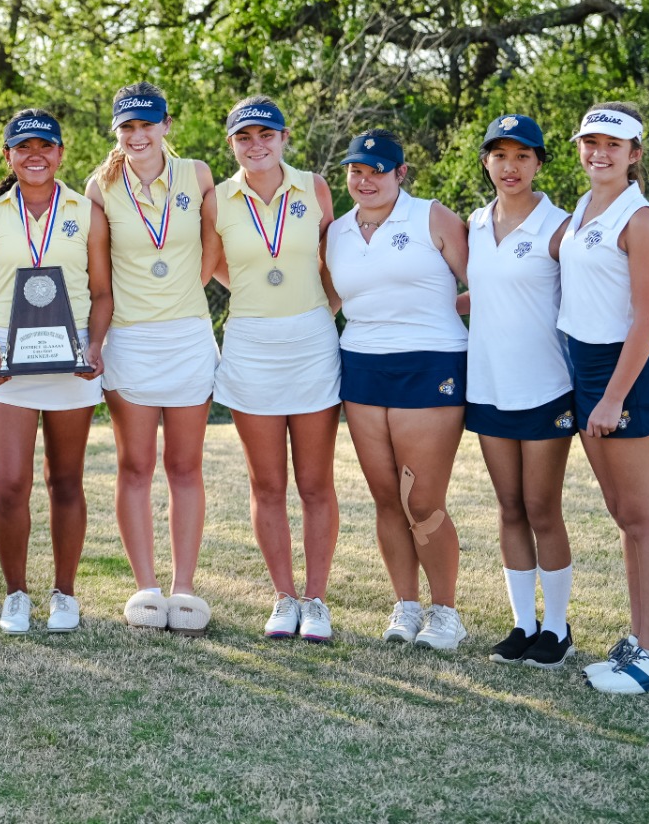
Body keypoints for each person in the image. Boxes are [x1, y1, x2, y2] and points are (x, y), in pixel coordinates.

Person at [558, 103, 649, 694]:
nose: (600, 153)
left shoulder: (641, 218)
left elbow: (644, 320)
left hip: (622, 376)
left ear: (635, 154)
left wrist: (611, 400)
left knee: (643, 518)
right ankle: (639, 642)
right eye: (590, 143)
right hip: (585, 369)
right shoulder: (584, 207)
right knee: (622, 517)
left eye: (613, 144)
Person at [327, 131, 472, 651]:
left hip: (430, 364)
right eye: (356, 171)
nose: (365, 181)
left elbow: (488, 282)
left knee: (423, 498)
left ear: (401, 174)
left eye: (378, 171)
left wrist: (437, 312)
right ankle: (407, 606)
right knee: (387, 498)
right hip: (362, 366)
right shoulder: (337, 231)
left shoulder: (433, 217)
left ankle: (446, 612)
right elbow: (328, 301)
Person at [0, 110, 111, 634]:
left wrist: (94, 346)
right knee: (9, 485)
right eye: (23, 146)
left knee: (66, 481)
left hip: (71, 363)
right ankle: (16, 595)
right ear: (8, 156)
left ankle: (65, 594)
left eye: (44, 146)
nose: (35, 155)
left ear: (60, 153)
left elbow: (101, 292)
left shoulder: (87, 211)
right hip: (9, 363)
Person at [208, 97, 342, 643]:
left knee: (314, 484)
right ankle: (283, 597)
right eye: (244, 138)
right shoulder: (217, 199)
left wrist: (321, 310)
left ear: (285, 138)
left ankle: (316, 600)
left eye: (266, 135)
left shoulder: (315, 187)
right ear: (232, 144)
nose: (256, 145)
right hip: (250, 345)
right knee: (267, 484)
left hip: (311, 343)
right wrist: (251, 296)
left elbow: (336, 260)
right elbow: (213, 263)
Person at [86, 83, 219, 634]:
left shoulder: (199, 175)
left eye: (147, 125)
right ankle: (145, 586)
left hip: (188, 336)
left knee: (185, 467)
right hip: (131, 340)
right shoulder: (100, 186)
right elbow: (99, 276)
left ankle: (184, 587)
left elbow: (212, 251)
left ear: (167, 124)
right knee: (135, 466)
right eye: (127, 128)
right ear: (117, 131)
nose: (137, 136)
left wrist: (182, 295)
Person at [463, 114, 578, 668]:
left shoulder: (560, 227)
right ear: (485, 160)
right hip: (488, 386)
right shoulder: (474, 224)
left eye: (523, 157)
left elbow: (597, 292)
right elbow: (479, 297)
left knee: (541, 507)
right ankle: (522, 624)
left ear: (538, 164)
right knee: (508, 507)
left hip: (545, 388)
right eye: (500, 156)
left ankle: (556, 628)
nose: (511, 167)